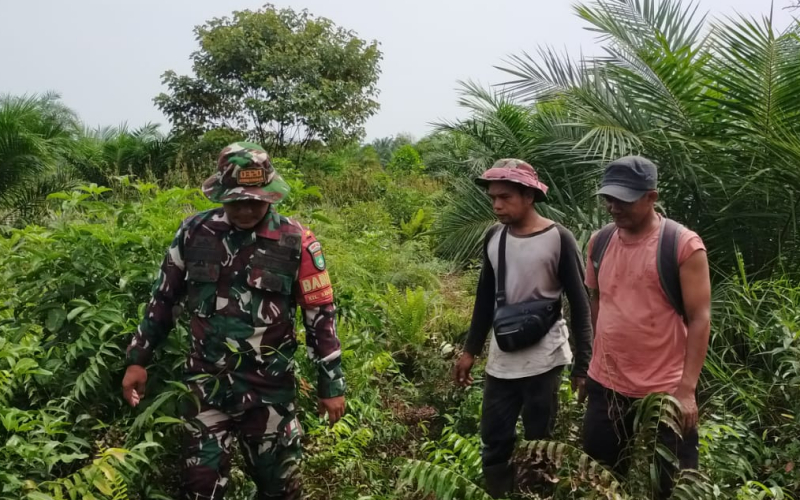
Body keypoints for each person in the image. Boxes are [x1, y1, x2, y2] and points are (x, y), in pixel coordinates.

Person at [121, 142, 345, 500]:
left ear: (269, 196)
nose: (244, 209)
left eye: (253, 201)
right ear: (222, 195)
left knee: (281, 490)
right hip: (206, 387)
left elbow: (320, 315)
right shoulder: (194, 233)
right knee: (200, 489)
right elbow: (163, 299)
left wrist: (331, 385)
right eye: (235, 201)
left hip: (269, 392)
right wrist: (138, 359)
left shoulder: (296, 241)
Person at [453, 159, 593, 498]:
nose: (497, 205)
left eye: (505, 197)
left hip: (545, 358)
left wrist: (583, 365)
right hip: (503, 359)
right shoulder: (494, 238)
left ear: (529, 196)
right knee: (494, 436)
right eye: (493, 198)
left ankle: (536, 493)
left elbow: (580, 302)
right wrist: (470, 350)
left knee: (539, 443)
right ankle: (500, 492)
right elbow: (485, 299)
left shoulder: (558, 238)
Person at [582, 156, 711, 500]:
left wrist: (687, 389)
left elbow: (700, 317)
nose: (614, 207)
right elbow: (598, 301)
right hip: (607, 384)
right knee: (601, 478)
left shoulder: (682, 245)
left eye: (624, 199)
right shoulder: (600, 242)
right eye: (609, 198)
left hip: (664, 389)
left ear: (651, 197)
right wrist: (593, 366)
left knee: (670, 485)